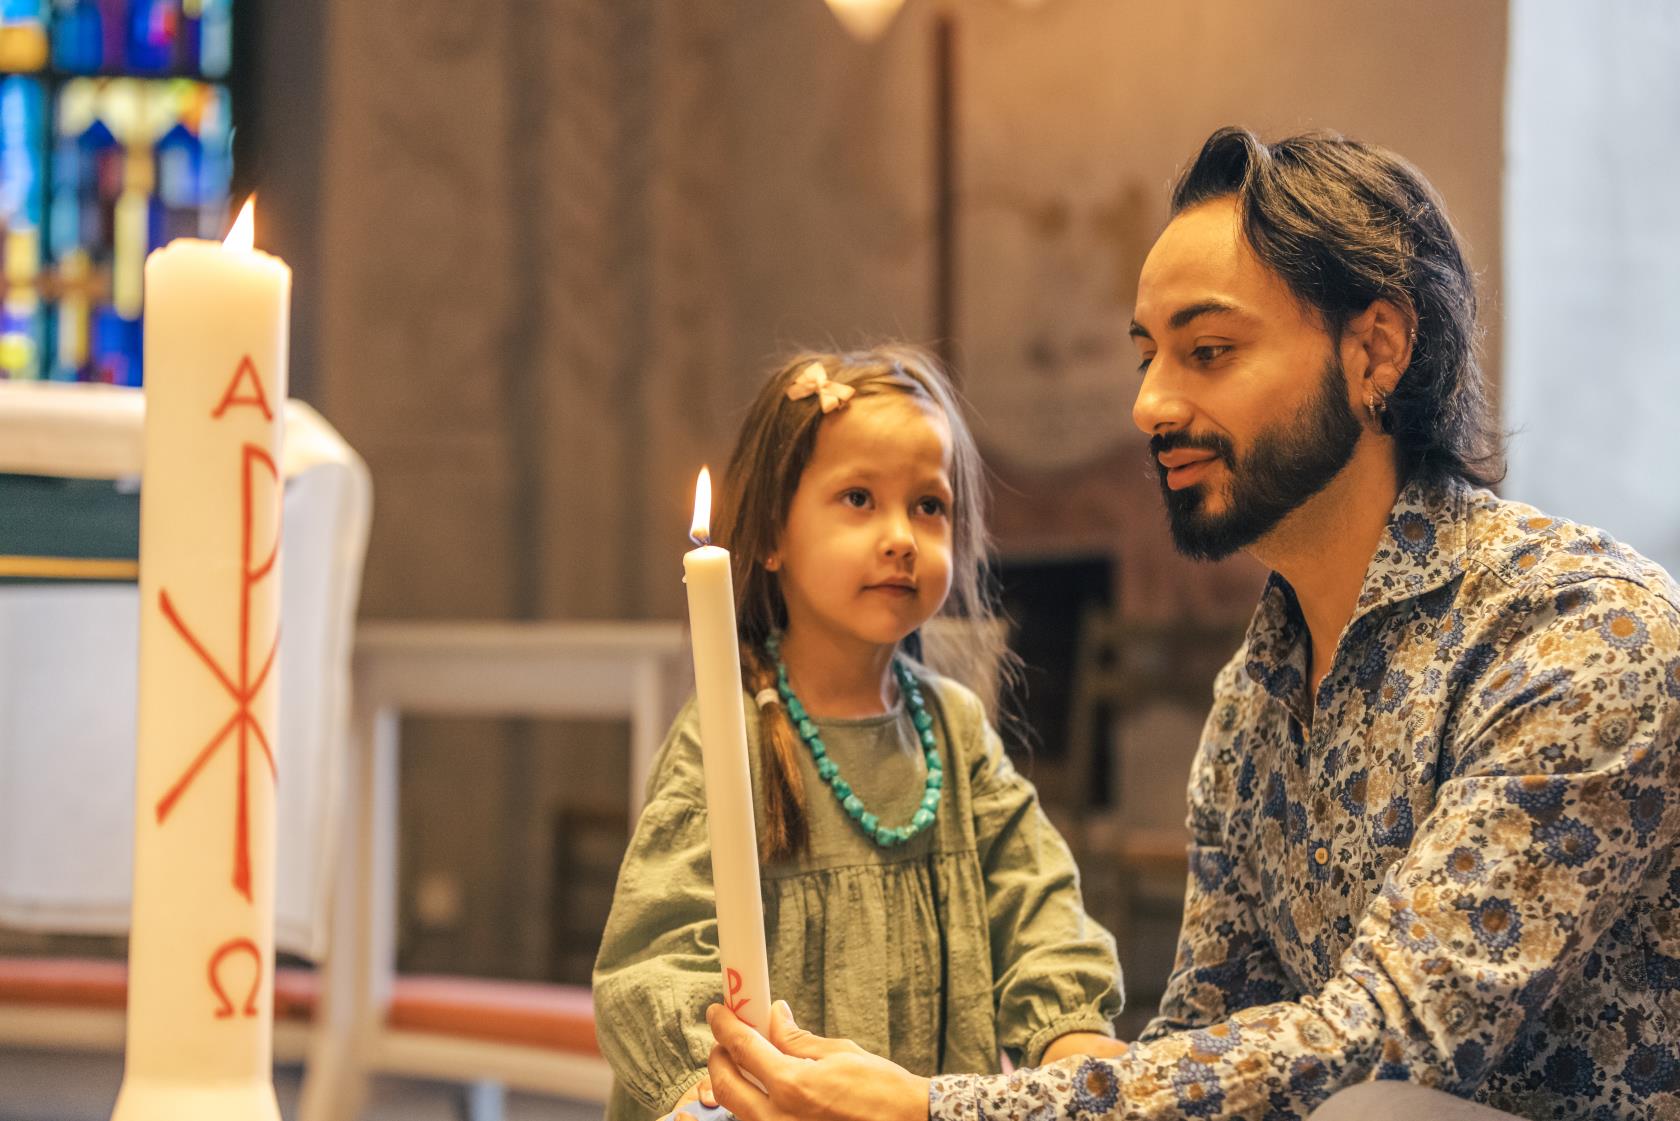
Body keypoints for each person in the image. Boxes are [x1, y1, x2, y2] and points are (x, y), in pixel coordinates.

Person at [701, 128, 1680, 1121]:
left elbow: (1393, 1033)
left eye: (1208, 351)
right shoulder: (1256, 695)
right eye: (1148, 355)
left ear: (1375, 348)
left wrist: (943, 1110)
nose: (1149, 403)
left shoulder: (1582, 639)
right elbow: (1205, 1049)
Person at [592, 345, 1126, 1121]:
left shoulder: (955, 730)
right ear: (772, 534)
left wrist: (1072, 1043)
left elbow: (1037, 901)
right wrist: (707, 1092)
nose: (901, 535)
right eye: (858, 498)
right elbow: (661, 948)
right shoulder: (728, 732)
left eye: (929, 505)